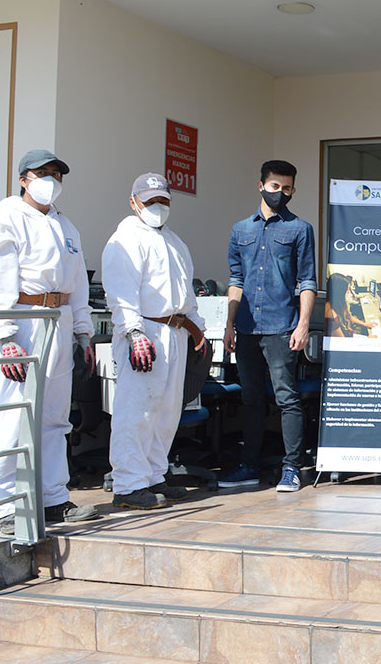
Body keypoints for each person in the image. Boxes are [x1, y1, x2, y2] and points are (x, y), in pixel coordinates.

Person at [0, 150, 100, 534]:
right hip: (23, 320)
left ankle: (52, 499)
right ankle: (4, 505)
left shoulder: (66, 227)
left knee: (54, 418)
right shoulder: (6, 220)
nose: (50, 180)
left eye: (55, 174)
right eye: (42, 173)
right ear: (23, 179)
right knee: (14, 415)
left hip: (59, 321)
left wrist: (83, 331)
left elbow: (78, 284)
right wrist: (4, 337)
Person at [102, 173, 209, 510]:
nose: (157, 207)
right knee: (136, 411)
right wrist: (133, 334)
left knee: (166, 410)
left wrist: (198, 330)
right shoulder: (126, 239)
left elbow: (187, 295)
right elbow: (121, 294)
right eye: (150, 201)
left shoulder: (176, 242)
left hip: (176, 333)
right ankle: (128, 485)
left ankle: (153, 475)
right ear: (134, 202)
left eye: (163, 201)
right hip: (146, 332)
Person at [221, 160, 317, 493]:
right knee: (250, 399)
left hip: (281, 326)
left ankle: (291, 467)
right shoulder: (240, 230)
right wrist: (229, 324)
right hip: (247, 326)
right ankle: (248, 465)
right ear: (260, 185)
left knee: (286, 398)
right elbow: (236, 279)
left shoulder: (300, 229)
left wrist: (302, 324)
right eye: (275, 186)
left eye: (287, 188)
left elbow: (307, 281)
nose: (281, 193)